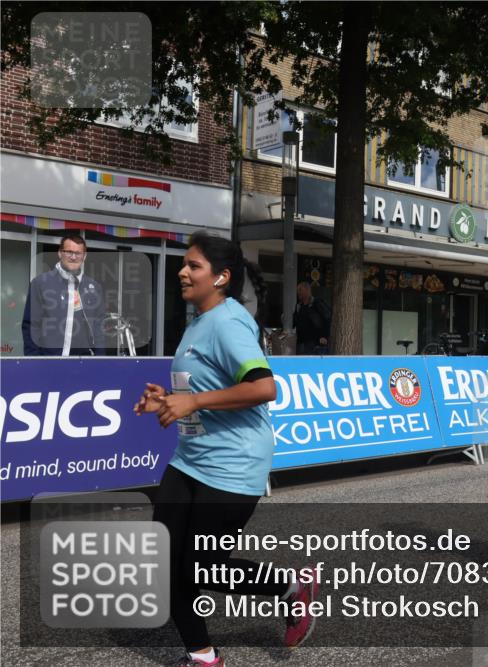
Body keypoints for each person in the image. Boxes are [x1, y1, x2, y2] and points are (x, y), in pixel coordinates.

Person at [134, 233, 317, 666]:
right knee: (165, 560)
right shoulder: (199, 320)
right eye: (184, 264)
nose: (182, 272)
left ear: (221, 277)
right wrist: (169, 401)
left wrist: (194, 401)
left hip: (233, 464)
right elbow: (204, 385)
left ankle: (291, 588)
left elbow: (264, 387)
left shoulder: (228, 322)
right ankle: (203, 656)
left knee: (201, 566)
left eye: (193, 266)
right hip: (190, 458)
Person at [21, 233, 106, 356]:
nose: (73, 257)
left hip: (83, 361)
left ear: (84, 256)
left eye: (78, 253)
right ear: (60, 253)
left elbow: (99, 328)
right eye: (69, 252)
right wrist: (33, 360)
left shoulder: (94, 287)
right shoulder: (40, 283)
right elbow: (31, 325)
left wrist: (100, 359)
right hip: (49, 359)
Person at [292, 281, 330, 354]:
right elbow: (294, 323)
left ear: (307, 290)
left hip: (315, 343)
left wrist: (324, 336)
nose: (298, 292)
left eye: (300, 290)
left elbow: (327, 318)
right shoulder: (299, 306)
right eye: (298, 290)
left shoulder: (317, 303)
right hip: (301, 343)